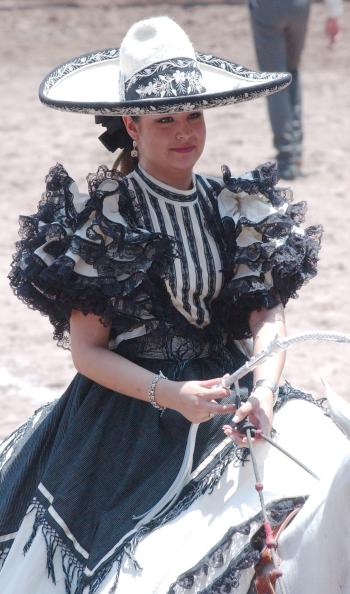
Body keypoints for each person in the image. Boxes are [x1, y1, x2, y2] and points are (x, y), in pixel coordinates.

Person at [0, 15, 348, 594]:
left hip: (230, 400)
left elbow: (265, 316)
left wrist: (262, 390)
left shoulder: (235, 206)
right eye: (166, 119)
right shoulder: (104, 220)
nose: (185, 132)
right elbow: (87, 353)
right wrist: (172, 396)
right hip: (131, 415)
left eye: (194, 115)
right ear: (131, 124)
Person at [249, 0, 343, 180]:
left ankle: (286, 158)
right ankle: (296, 154)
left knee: (274, 80)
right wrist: (334, 13)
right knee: (292, 73)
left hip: (266, 8)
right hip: (298, 6)